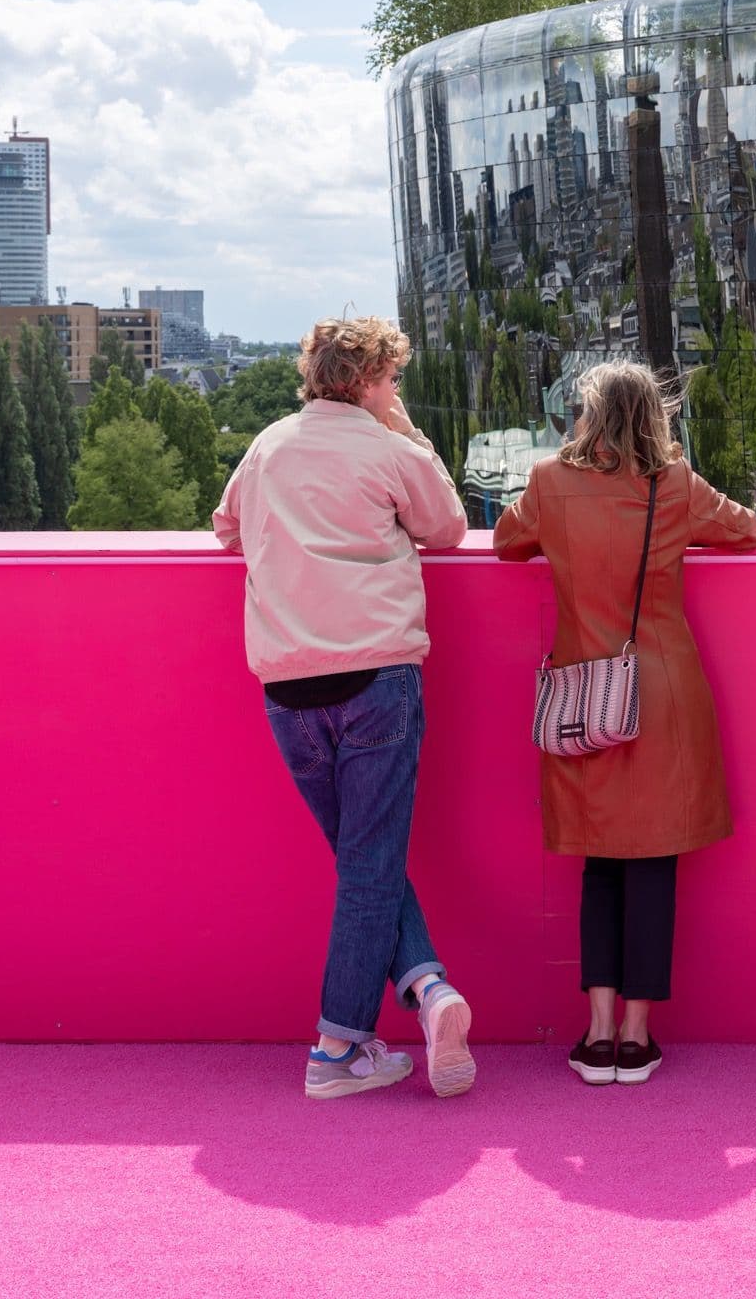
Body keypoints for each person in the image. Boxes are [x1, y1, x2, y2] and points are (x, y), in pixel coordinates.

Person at [213, 316, 475, 1101]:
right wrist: (410, 436)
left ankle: (428, 989)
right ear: (365, 381)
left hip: (289, 687)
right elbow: (450, 530)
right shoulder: (388, 447)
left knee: (364, 863)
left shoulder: (267, 446)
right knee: (370, 864)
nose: (396, 390)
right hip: (377, 677)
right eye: (392, 378)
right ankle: (335, 1048)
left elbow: (227, 532)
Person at [494, 359, 756, 1085]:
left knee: (599, 863)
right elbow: (749, 532)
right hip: (663, 693)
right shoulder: (674, 484)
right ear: (654, 416)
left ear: (587, 414)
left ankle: (597, 1031)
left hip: (587, 695)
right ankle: (639, 1039)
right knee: (653, 864)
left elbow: (505, 543)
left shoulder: (550, 481)